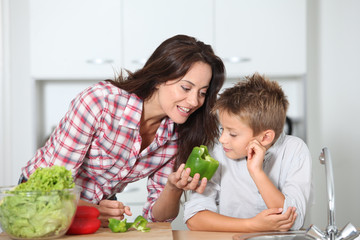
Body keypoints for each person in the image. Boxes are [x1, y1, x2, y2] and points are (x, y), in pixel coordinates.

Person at [20, 34, 225, 226]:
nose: (193, 101)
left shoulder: (177, 135)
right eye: (186, 88)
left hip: (98, 209)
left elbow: (158, 218)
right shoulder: (100, 102)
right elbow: (53, 187)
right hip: (38, 200)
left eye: (202, 93)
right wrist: (93, 211)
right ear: (159, 78)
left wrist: (173, 187)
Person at [184, 73, 312, 232]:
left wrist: (256, 172)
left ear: (265, 137)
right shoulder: (219, 153)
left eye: (232, 134)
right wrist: (252, 225)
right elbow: (194, 218)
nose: (222, 139)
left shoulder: (295, 150)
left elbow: (293, 220)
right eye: (222, 129)